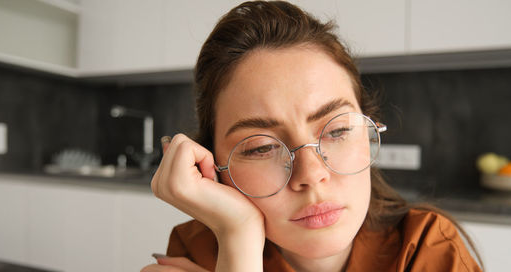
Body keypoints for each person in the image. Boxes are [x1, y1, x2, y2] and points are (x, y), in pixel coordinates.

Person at [143, 1, 483, 271]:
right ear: (213, 167)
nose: (311, 174)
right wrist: (238, 236)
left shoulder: (426, 250)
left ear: (367, 132)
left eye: (337, 131)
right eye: (261, 148)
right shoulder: (203, 248)